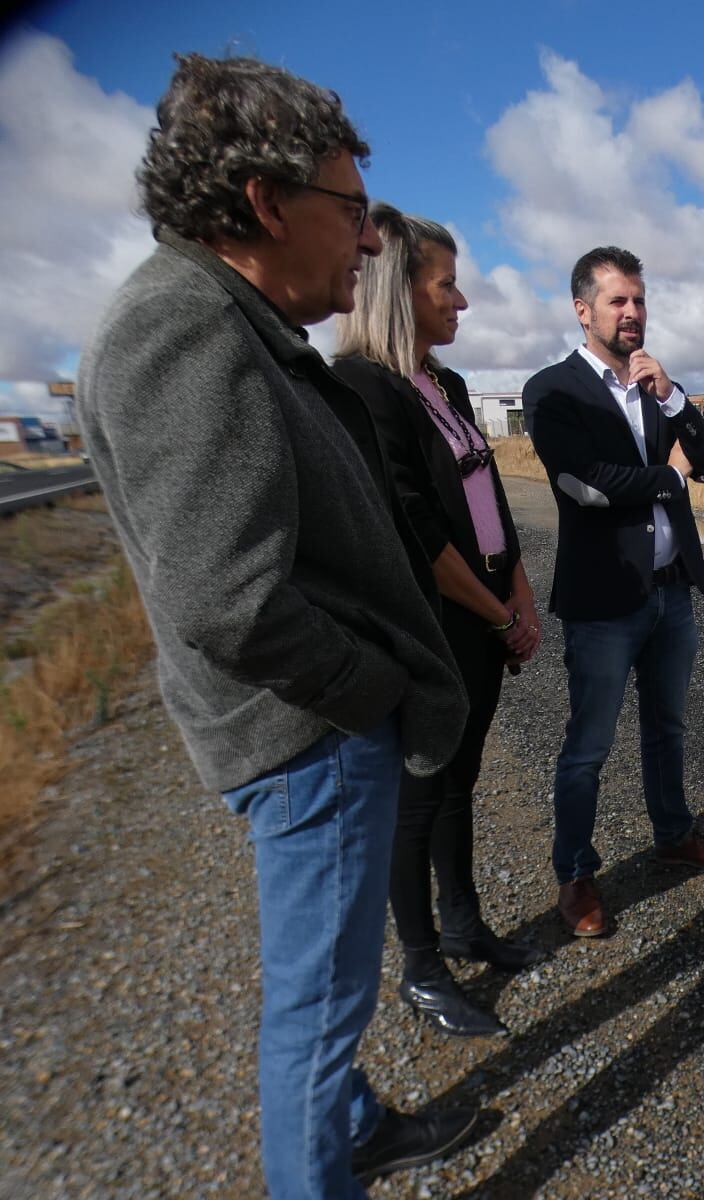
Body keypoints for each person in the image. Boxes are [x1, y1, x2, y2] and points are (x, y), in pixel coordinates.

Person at [76, 55, 478, 1194]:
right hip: (308, 740)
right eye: (352, 212)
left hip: (312, 731)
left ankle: (355, 1123)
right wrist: (373, 693)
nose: (364, 242)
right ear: (264, 201)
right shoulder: (185, 329)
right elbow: (224, 598)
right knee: (315, 1013)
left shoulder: (225, 317)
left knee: (319, 991)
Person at [332, 206, 544, 1040]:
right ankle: (421, 965)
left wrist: (521, 596)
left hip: (487, 612)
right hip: (436, 624)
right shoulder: (363, 387)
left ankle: (463, 924)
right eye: (446, 284)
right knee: (417, 794)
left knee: (461, 780)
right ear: (399, 287)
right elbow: (416, 530)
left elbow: (488, 501)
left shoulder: (445, 384)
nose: (461, 302)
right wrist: (498, 616)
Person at [524, 246, 704, 938]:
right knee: (588, 746)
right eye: (618, 301)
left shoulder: (653, 388)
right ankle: (576, 874)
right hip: (603, 601)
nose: (632, 313)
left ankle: (674, 834)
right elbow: (585, 486)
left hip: (669, 591)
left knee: (668, 727)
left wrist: (674, 398)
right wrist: (668, 479)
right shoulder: (552, 389)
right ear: (582, 310)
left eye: (640, 300)